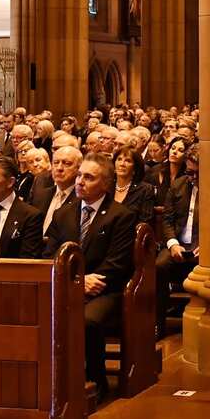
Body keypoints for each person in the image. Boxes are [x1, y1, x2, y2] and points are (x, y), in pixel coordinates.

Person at [43, 153, 137, 403]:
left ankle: (96, 379)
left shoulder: (121, 215)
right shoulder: (64, 213)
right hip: (68, 284)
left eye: (89, 177)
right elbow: (49, 253)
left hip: (106, 290)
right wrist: (76, 282)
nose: (80, 181)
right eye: (80, 175)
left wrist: (86, 283)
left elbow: (116, 263)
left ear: (105, 184)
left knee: (87, 320)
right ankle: (52, 377)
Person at [157, 147, 199, 334]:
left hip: (204, 249)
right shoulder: (178, 185)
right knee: (159, 265)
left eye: (197, 173)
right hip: (177, 245)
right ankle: (158, 322)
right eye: (189, 172)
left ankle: (200, 322)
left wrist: (209, 246)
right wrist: (173, 243)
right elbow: (167, 220)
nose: (193, 177)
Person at [35, 146, 81, 237]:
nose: (59, 168)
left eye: (67, 163)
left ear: (79, 168)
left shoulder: (81, 200)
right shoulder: (41, 195)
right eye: (55, 163)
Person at [112, 149, 154, 223]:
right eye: (119, 159)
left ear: (135, 168)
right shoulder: (106, 186)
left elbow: (145, 221)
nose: (122, 164)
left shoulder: (145, 189)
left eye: (128, 161)